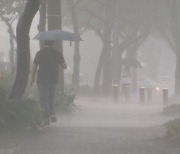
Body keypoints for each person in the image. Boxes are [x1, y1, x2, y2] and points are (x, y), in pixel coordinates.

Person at [31, 40, 67, 125]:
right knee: (51, 96)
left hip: (41, 79)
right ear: (53, 44)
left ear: (44, 43)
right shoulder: (57, 53)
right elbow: (64, 66)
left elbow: (34, 67)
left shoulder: (39, 53)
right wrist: (63, 64)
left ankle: (45, 117)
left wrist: (32, 78)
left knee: (43, 97)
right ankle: (52, 114)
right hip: (53, 79)